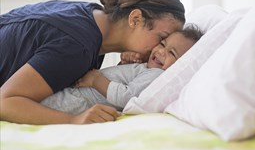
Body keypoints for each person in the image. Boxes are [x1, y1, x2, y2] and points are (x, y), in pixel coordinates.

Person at [0, 0, 185, 125]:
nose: (158, 50)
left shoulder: (93, 17)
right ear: (135, 18)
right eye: (161, 39)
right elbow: (5, 102)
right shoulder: (78, 46)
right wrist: (74, 120)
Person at [41, 25, 203, 116]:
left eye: (172, 53)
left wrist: (96, 79)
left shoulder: (157, 74)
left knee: (43, 105)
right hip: (79, 94)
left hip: (80, 100)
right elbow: (120, 82)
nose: (161, 52)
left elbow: (126, 96)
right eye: (162, 44)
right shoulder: (149, 68)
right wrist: (123, 65)